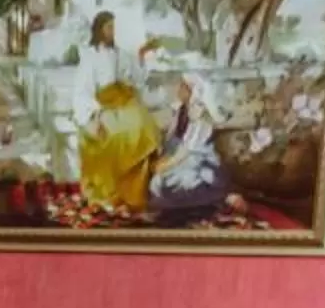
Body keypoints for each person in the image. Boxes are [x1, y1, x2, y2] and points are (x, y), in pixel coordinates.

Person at [72, 11, 156, 213]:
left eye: (113, 27)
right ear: (99, 30)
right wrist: (94, 115)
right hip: (103, 105)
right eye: (109, 27)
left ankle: (136, 192)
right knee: (116, 136)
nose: (112, 31)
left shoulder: (120, 54)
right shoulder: (90, 56)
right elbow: (83, 91)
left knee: (144, 128)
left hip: (124, 100)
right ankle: (113, 193)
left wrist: (142, 56)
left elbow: (136, 78)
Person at [147, 75, 237, 219]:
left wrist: (166, 164)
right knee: (158, 181)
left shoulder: (200, 115)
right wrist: (163, 159)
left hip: (199, 161)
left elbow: (190, 148)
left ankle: (197, 209)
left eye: (183, 86)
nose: (179, 89)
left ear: (192, 90)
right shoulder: (181, 110)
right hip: (181, 157)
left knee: (176, 181)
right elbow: (172, 139)